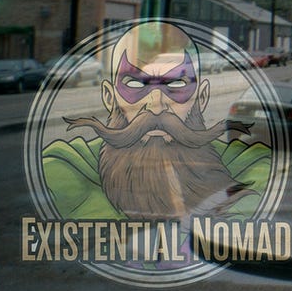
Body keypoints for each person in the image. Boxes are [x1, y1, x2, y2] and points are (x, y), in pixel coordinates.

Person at [40, 21, 270, 222]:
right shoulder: (69, 162)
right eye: (137, 84)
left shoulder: (245, 166)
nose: (156, 103)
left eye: (176, 84)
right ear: (110, 98)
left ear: (201, 97)